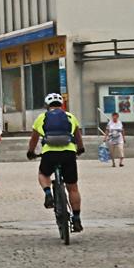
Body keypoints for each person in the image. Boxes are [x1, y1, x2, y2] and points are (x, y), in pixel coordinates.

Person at [26, 93, 85, 233]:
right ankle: (76, 218)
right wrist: (80, 149)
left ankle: (48, 194)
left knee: (43, 174)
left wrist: (31, 152)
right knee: (73, 187)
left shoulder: (42, 118)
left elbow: (34, 139)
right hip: (68, 153)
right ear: (62, 105)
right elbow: (78, 136)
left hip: (50, 153)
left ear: (47, 105)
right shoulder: (70, 117)